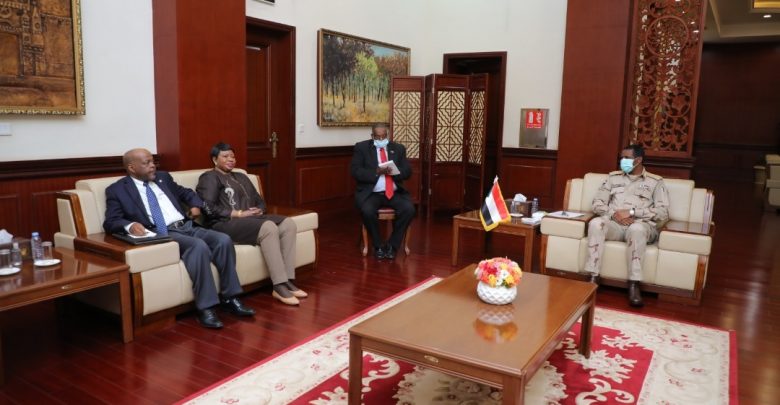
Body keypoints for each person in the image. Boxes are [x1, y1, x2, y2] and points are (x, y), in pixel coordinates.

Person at [103, 148, 255, 329]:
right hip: (163, 233)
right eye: (147, 163)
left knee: (223, 240)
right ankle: (206, 308)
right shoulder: (117, 190)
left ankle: (231, 298)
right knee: (198, 246)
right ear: (131, 167)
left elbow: (187, 193)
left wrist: (195, 205)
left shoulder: (163, 178)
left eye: (153, 161)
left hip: (187, 225)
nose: (153, 166)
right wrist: (130, 225)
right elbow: (111, 221)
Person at [196, 142, 307, 306]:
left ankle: (288, 280)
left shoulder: (241, 176)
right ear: (214, 159)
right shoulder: (209, 177)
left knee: (288, 224)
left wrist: (260, 209)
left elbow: (259, 200)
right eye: (225, 156)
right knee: (268, 227)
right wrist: (238, 214)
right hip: (224, 223)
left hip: (250, 220)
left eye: (233, 156)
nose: (231, 159)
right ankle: (278, 286)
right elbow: (207, 207)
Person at [583, 144, 670, 307]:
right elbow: (597, 204)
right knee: (596, 223)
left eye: (627, 158)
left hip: (641, 226)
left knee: (636, 229)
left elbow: (663, 212)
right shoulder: (613, 178)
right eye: (621, 157)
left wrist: (631, 212)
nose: (622, 161)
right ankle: (593, 277)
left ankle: (634, 284)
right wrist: (614, 214)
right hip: (615, 225)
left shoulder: (655, 182)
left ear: (638, 160)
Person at [350, 123, 415, 259]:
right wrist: (377, 171)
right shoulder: (361, 148)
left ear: (387, 135)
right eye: (377, 137)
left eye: (384, 136)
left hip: (394, 192)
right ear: (372, 136)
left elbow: (408, 171)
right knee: (367, 211)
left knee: (409, 209)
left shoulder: (398, 148)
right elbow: (355, 171)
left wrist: (394, 171)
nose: (381, 139)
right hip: (372, 193)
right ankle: (378, 245)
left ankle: (392, 246)